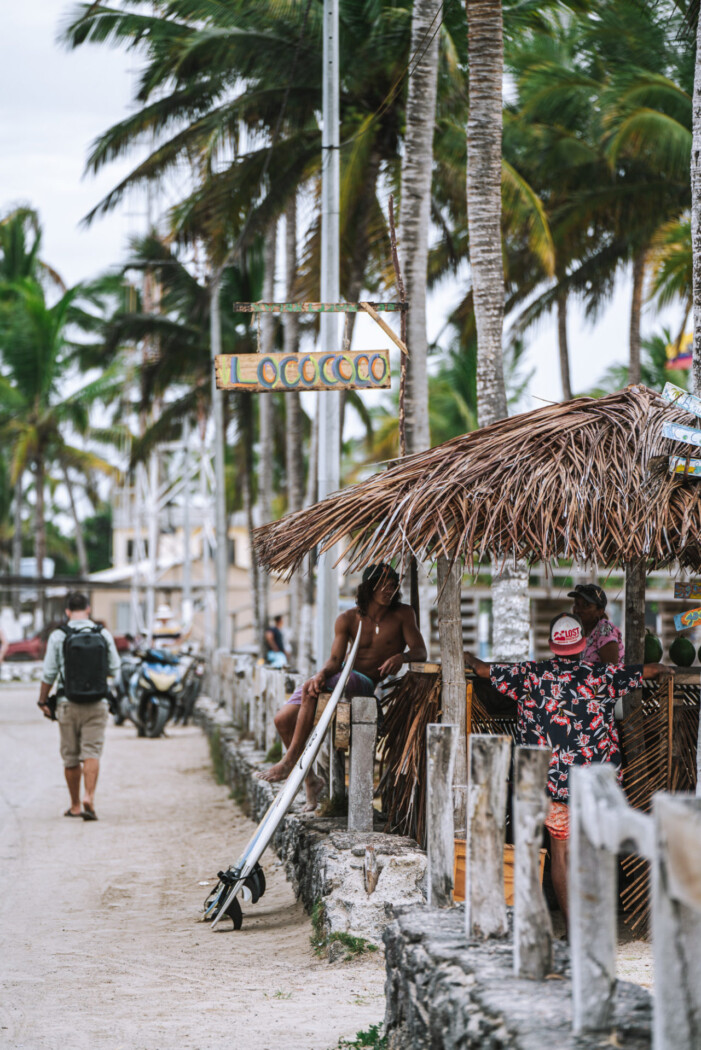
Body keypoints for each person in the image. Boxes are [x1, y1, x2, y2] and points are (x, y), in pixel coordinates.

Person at [464, 612, 667, 926]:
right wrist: (662, 670)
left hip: (550, 785)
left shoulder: (529, 674)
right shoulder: (602, 675)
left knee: (560, 852)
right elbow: (649, 671)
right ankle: (592, 925)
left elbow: (481, 669)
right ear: (583, 644)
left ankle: (573, 926)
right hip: (595, 786)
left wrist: (465, 655)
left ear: (551, 645)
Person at [257, 563, 427, 809]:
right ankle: (311, 780)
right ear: (369, 587)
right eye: (384, 584)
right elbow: (335, 661)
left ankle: (289, 761)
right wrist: (319, 675)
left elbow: (421, 651)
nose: (389, 589)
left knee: (315, 688)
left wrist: (403, 657)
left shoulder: (403, 614)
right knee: (282, 719)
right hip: (342, 674)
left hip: (364, 682)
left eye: (393, 585)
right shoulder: (347, 619)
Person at [37, 592, 120, 820]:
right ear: (88, 609)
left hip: (67, 703)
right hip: (98, 702)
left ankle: (74, 805)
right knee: (91, 752)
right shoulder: (102, 633)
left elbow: (49, 673)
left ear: (67, 611)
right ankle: (89, 797)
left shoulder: (58, 635)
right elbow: (115, 668)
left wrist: (43, 701)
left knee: (71, 757)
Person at [568, 583, 623, 664]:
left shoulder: (605, 629)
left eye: (586, 605)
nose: (577, 610)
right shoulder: (578, 632)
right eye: (576, 604)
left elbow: (611, 670)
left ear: (600, 611)